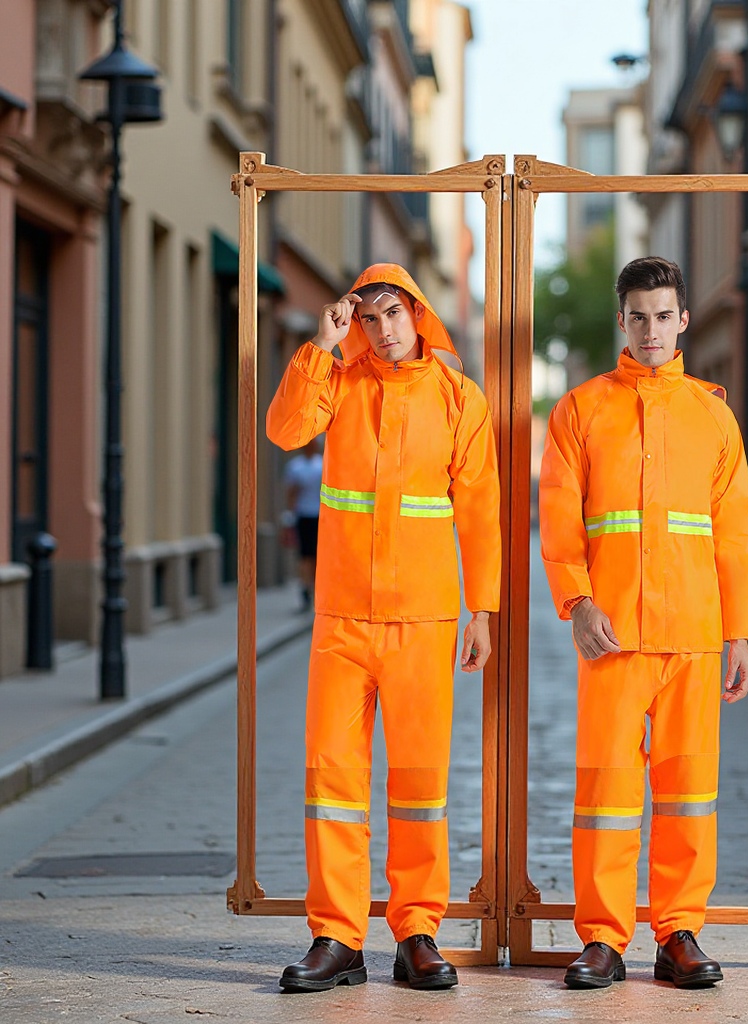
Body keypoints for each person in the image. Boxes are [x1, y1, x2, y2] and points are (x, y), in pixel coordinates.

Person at [266, 264, 501, 992]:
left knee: (420, 784)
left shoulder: (460, 399)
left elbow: (482, 512)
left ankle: (418, 932)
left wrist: (483, 611)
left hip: (425, 620)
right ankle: (335, 937)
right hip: (341, 618)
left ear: (419, 313)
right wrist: (321, 345)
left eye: (392, 314)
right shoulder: (338, 381)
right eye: (368, 318)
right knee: (332, 782)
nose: (382, 329)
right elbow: (283, 430)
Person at [538, 256, 748, 990]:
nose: (652, 329)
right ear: (621, 321)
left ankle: (679, 932)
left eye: (665, 316)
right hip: (613, 636)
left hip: (694, 632)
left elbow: (733, 532)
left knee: (690, 789)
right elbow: (562, 521)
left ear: (684, 319)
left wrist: (739, 633)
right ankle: (602, 938)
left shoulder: (713, 413)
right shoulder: (580, 409)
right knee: (604, 790)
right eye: (639, 316)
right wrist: (577, 601)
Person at [283, 437, 323, 611]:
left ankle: (312, 589)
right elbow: (292, 493)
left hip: (318, 515)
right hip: (305, 515)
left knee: (314, 556)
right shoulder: (297, 466)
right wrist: (290, 515)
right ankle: (307, 589)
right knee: (306, 556)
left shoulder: (320, 464)